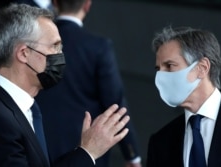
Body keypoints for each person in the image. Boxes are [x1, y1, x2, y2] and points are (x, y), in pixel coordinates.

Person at [0, 3, 130, 167]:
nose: (60, 55)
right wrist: (88, 152)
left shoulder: (26, 109)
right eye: (54, 46)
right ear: (24, 53)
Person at [36, 0, 142, 167]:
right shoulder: (98, 47)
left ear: (54, 2)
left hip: (39, 142)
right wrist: (131, 154)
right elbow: (115, 104)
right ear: (87, 5)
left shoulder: (36, 43)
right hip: (86, 147)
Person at [146, 26, 221, 167]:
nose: (160, 76)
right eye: (158, 69)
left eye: (169, 66)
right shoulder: (161, 142)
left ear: (202, 68)